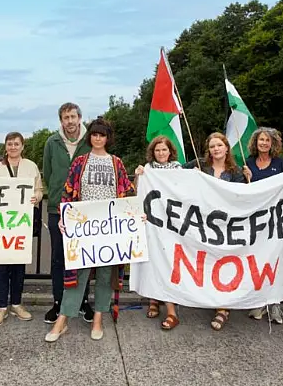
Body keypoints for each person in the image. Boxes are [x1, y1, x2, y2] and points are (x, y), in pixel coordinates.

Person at [45, 117, 134, 342]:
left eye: (101, 135)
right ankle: (62, 319)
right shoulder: (80, 162)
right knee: (77, 274)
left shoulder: (117, 163)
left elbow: (128, 192)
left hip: (109, 228)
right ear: (90, 136)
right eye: (94, 134)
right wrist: (64, 217)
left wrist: (135, 213)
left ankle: (97, 319)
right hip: (84, 227)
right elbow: (67, 192)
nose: (97, 138)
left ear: (107, 138)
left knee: (105, 275)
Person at [184, 132, 250, 330]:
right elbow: (172, 173)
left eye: (219, 145)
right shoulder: (199, 164)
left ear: (226, 147)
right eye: (212, 146)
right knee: (208, 261)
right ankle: (210, 298)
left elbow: (242, 197)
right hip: (203, 223)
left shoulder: (237, 171)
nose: (216, 149)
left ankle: (223, 307)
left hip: (227, 225)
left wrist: (248, 181)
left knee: (225, 263)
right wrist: (147, 172)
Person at [0, 132, 43, 327]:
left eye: (16, 144)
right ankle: (2, 306)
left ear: (22, 146)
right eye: (9, 144)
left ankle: (17, 304)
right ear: (5, 146)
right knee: (1, 267)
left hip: (22, 222)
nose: (13, 147)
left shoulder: (31, 166)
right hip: (1, 224)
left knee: (19, 266)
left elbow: (39, 189)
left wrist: (36, 197)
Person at [42, 102, 92, 324]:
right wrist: (56, 193)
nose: (69, 121)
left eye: (73, 116)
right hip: (57, 208)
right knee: (58, 258)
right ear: (61, 120)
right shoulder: (52, 142)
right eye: (65, 117)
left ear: (79, 118)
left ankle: (82, 302)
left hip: (84, 209)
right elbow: (49, 172)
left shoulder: (92, 140)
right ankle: (58, 302)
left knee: (83, 257)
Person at [134, 135, 183, 330]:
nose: (161, 153)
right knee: (153, 261)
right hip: (152, 222)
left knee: (167, 263)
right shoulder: (148, 170)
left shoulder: (178, 169)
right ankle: (154, 298)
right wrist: (138, 175)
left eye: (164, 150)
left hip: (172, 224)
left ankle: (171, 311)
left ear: (170, 151)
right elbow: (138, 192)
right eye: (157, 150)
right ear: (152, 153)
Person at [244, 127, 283, 325]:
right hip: (255, 221)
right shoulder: (247, 162)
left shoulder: (282, 164)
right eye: (261, 140)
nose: (264, 143)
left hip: (275, 221)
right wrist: (245, 177)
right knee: (257, 261)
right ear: (255, 142)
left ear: (273, 144)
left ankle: (274, 303)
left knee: (274, 261)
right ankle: (259, 301)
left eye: (267, 140)